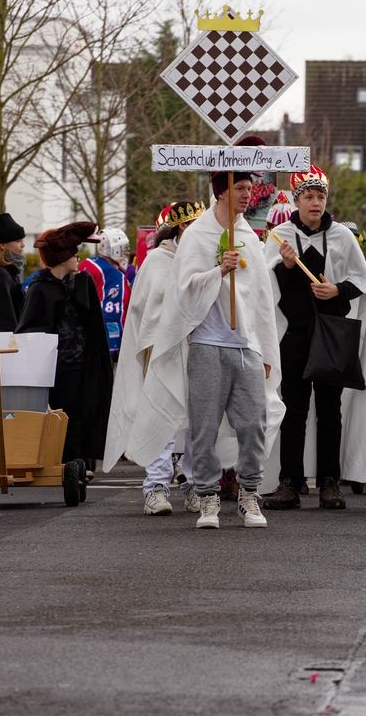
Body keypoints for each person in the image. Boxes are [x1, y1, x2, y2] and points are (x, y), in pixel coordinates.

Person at [122, 136, 283, 530]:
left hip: (244, 347)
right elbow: (184, 291)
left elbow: (260, 301)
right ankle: (208, 497)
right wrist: (218, 273)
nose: (248, 195)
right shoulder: (197, 236)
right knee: (204, 426)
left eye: (250, 188)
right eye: (241, 188)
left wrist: (263, 350)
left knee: (253, 423)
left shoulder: (249, 236)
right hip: (207, 345)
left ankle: (249, 494)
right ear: (222, 190)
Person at [262, 164, 366, 511]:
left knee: (330, 410)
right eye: (308, 196)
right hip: (295, 335)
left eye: (320, 196)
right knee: (293, 410)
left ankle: (330, 482)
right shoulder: (279, 236)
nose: (315, 202)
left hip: (330, 334)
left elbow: (362, 281)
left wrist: (336, 290)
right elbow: (265, 289)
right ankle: (289, 482)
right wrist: (283, 266)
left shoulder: (342, 235)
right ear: (297, 200)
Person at [103, 201, 206, 515]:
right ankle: (156, 487)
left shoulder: (205, 260)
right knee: (161, 416)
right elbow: (143, 309)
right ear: (178, 228)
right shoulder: (158, 261)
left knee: (195, 423)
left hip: (197, 350)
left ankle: (193, 485)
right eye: (188, 226)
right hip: (163, 351)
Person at [16, 222, 113, 474]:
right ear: (62, 257)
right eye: (73, 253)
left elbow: (94, 325)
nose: (78, 257)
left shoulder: (83, 283)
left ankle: (80, 462)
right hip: (54, 368)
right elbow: (29, 331)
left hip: (83, 363)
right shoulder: (39, 289)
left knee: (82, 411)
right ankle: (65, 462)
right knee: (61, 415)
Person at [79, 227, 133, 362]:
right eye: (122, 247)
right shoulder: (113, 274)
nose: (125, 251)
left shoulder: (87, 263)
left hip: (84, 337)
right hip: (104, 344)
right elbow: (114, 313)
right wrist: (115, 346)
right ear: (114, 249)